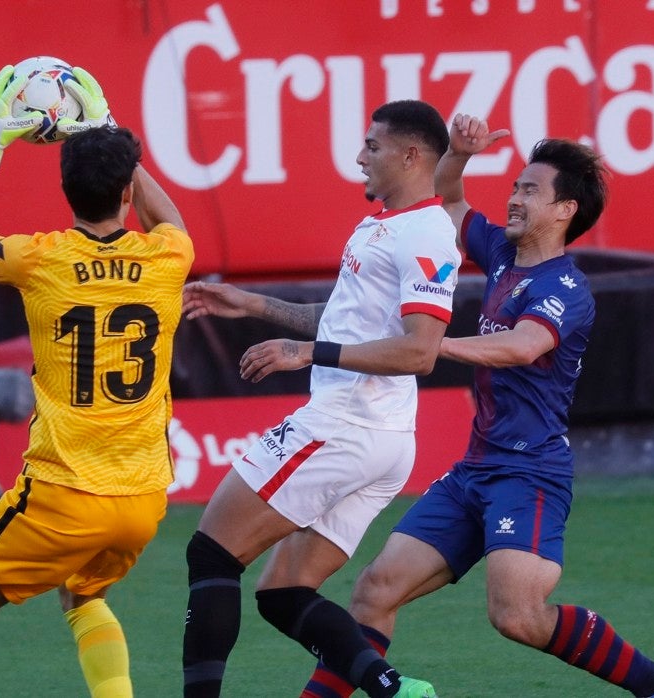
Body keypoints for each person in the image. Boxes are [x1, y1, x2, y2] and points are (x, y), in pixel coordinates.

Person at [301, 114, 654, 698]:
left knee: (517, 616)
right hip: (475, 470)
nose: (513, 197)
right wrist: (460, 154)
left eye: (530, 190)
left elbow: (522, 345)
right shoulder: (504, 257)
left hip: (529, 473)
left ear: (564, 211)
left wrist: (429, 345)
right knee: (375, 590)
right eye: (514, 186)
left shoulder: (565, 289)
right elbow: (448, 201)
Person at [0, 64, 192, 698]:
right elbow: (169, 220)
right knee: (84, 594)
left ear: (65, 190)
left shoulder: (41, 258)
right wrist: (109, 131)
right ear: (127, 192)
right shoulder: (169, 256)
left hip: (63, 494)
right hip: (143, 498)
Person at [180, 100, 459, 698]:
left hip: (345, 426)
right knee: (282, 593)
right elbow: (342, 321)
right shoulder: (384, 224)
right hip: (379, 436)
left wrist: (309, 353)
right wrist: (253, 305)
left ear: (411, 156)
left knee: (211, 555)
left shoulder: (427, 234)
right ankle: (393, 690)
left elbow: (420, 351)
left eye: (373, 146)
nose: (359, 157)